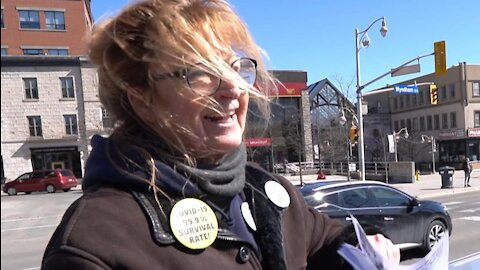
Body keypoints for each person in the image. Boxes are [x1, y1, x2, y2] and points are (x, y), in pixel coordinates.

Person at [41, 1, 400, 269]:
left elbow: (330, 238)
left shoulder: (269, 196)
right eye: (200, 73)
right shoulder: (94, 242)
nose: (234, 89)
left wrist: (366, 248)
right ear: (142, 98)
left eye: (235, 69)